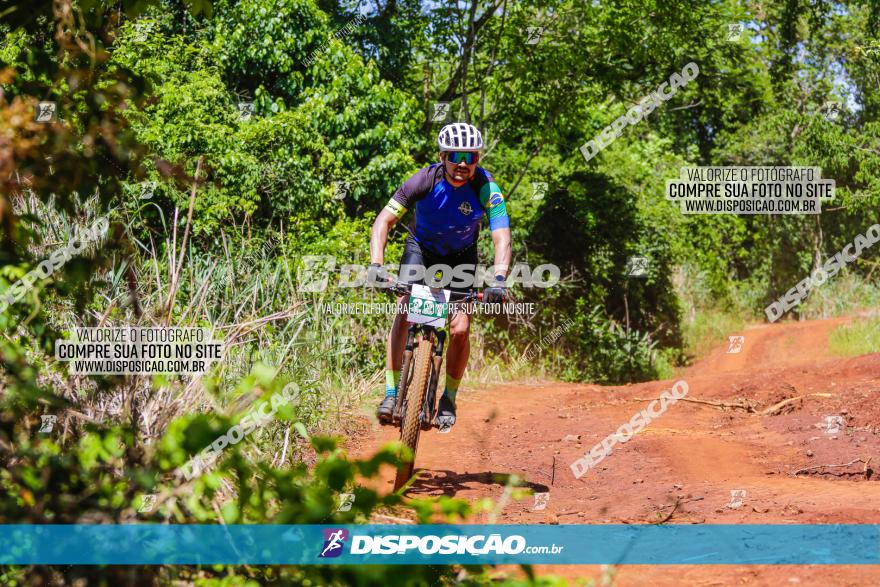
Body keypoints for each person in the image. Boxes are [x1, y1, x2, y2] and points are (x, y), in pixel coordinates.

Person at [368, 122, 512, 430]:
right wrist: (376, 265)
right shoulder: (422, 180)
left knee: (460, 328)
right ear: (443, 156)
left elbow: (501, 235)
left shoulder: (486, 187)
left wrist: (499, 279)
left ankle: (448, 397)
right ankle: (392, 393)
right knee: (405, 310)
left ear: (478, 159)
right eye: (456, 155)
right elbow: (384, 221)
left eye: (470, 157)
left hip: (461, 257)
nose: (462, 164)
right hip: (422, 249)